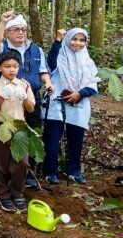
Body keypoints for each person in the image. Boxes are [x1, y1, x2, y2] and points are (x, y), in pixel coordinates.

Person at [42, 28, 99, 185]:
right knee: (52, 140)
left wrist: (80, 93)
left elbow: (93, 83)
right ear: (68, 39)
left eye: (82, 40)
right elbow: (51, 63)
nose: (77, 43)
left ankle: (73, 171)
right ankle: (50, 171)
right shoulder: (60, 55)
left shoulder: (88, 61)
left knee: (76, 141)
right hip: (57, 102)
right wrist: (57, 41)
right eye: (74, 39)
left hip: (78, 104)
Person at [0, 51, 36, 211]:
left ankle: (18, 193)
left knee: (21, 162)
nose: (11, 70)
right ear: (0, 67)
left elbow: (30, 109)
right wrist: (2, 96)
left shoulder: (24, 84)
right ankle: (3, 194)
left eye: (15, 66)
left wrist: (25, 97)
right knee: (1, 161)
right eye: (7, 66)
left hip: (19, 126)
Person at [0, 12, 55, 130]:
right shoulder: (3, 47)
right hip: (8, 96)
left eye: (23, 30)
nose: (20, 33)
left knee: (34, 132)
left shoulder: (36, 49)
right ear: (7, 33)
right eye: (16, 30)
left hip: (31, 97)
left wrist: (47, 82)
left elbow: (42, 70)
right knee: (10, 132)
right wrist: (3, 22)